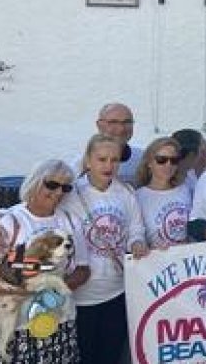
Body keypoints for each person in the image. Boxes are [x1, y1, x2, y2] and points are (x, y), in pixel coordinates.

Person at [0, 159, 89, 364]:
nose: (59, 192)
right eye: (52, 184)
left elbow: (83, 269)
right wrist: (18, 291)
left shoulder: (71, 221)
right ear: (35, 182)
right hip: (16, 329)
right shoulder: (11, 221)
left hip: (59, 324)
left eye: (66, 187)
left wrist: (55, 289)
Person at [64, 134, 148, 364]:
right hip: (80, 296)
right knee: (84, 357)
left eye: (114, 160)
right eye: (102, 159)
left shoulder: (126, 193)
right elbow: (34, 206)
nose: (109, 165)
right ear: (88, 161)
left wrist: (137, 243)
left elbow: (135, 229)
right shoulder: (70, 194)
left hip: (117, 291)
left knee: (110, 356)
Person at [134, 137, 192, 249]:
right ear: (149, 163)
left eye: (174, 160)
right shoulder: (137, 197)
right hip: (157, 262)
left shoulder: (186, 190)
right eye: (161, 160)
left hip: (187, 260)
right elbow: (135, 234)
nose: (168, 165)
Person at [70, 103, 143, 186]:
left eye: (127, 122)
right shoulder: (79, 165)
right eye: (113, 122)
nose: (121, 128)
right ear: (99, 125)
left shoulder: (143, 158)